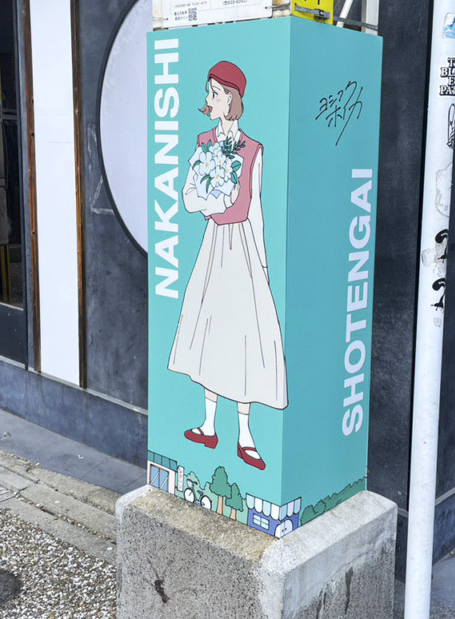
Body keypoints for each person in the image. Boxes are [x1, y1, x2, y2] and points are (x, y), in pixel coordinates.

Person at [168, 61, 288, 471]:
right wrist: (212, 202)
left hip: (242, 247)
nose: (208, 99)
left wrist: (263, 264)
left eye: (215, 93)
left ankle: (245, 434)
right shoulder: (203, 142)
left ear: (231, 99)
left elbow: (255, 209)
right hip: (215, 243)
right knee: (211, 328)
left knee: (242, 334)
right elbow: (188, 196)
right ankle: (208, 424)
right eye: (209, 92)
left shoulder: (253, 150)